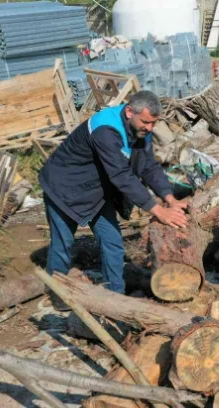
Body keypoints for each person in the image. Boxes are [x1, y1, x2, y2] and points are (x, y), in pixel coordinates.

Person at [39, 90, 188, 295]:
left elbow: (149, 167)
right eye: (145, 122)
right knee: (62, 245)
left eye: (153, 123)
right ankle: (56, 295)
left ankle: (115, 296)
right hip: (64, 188)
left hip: (96, 191)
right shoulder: (105, 130)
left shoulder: (141, 130)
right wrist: (158, 211)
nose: (150, 127)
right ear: (129, 112)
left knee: (112, 244)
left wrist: (170, 200)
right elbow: (121, 176)